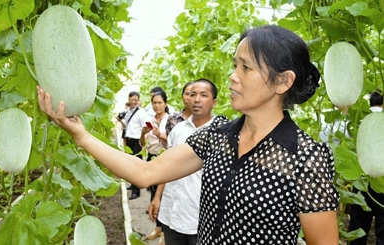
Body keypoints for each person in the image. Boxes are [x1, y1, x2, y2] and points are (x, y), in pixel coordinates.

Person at [37, 24, 339, 244]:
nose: (232, 76)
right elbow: (146, 172)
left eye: (245, 68)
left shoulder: (307, 158)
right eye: (234, 64)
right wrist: (81, 135)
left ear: (283, 81)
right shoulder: (217, 136)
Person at [148, 79, 217, 245]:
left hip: (200, 218)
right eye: (192, 94)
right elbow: (168, 167)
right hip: (172, 212)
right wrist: (157, 197)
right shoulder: (178, 130)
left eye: (203, 95)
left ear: (214, 102)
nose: (196, 99)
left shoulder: (220, 133)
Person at [347, 90, 384, 245]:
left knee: (358, 226)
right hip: (382, 183)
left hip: (360, 182)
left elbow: (349, 146)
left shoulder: (358, 119)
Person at [139, 91, 170, 243]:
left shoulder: (170, 120)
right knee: (153, 194)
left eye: (160, 103)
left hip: (165, 157)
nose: (157, 106)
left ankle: (165, 231)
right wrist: (142, 133)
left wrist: (161, 135)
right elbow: (142, 144)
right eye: (154, 103)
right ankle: (158, 227)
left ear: (165, 103)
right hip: (152, 158)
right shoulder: (149, 120)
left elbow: (172, 143)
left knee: (164, 195)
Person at [116, 91, 150, 200]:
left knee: (136, 166)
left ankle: (137, 191)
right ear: (129, 99)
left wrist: (144, 143)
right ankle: (133, 184)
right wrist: (120, 121)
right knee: (130, 164)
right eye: (132, 99)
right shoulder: (128, 112)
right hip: (129, 140)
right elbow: (127, 126)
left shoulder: (141, 113)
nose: (134, 101)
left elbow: (146, 126)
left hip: (137, 141)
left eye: (136, 100)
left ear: (138, 100)